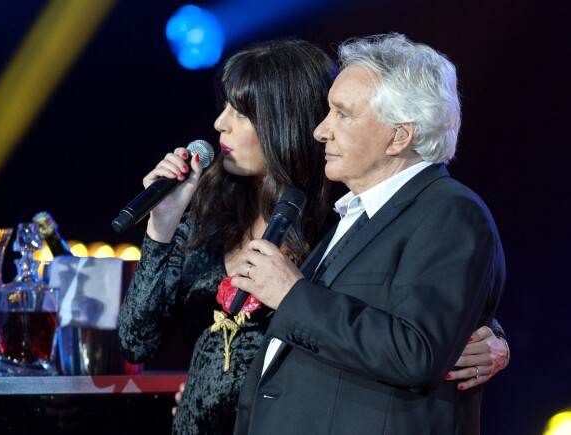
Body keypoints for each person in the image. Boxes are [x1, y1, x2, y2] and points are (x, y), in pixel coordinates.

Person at [119, 38, 508, 435]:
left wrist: (492, 335)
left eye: (242, 111)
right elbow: (137, 343)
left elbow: (425, 300)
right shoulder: (210, 210)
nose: (220, 123)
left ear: (285, 118)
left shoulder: (345, 208)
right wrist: (161, 226)